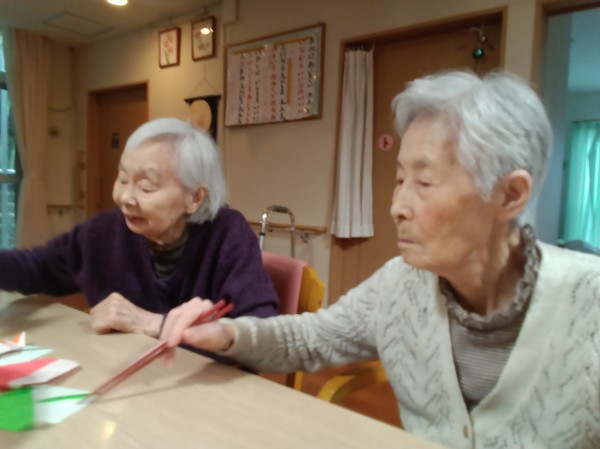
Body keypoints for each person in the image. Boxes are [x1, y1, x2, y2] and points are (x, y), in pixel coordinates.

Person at [160, 70, 600, 449]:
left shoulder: (589, 306)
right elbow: (309, 340)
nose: (397, 207)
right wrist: (226, 333)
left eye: (423, 183)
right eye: (400, 179)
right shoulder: (400, 286)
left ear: (510, 195)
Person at [0, 118, 278, 344]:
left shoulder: (227, 234)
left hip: (206, 386)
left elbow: (260, 330)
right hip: (120, 379)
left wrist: (154, 323)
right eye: (122, 179)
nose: (124, 197)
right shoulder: (104, 231)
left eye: (146, 187)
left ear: (194, 198)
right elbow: (36, 267)